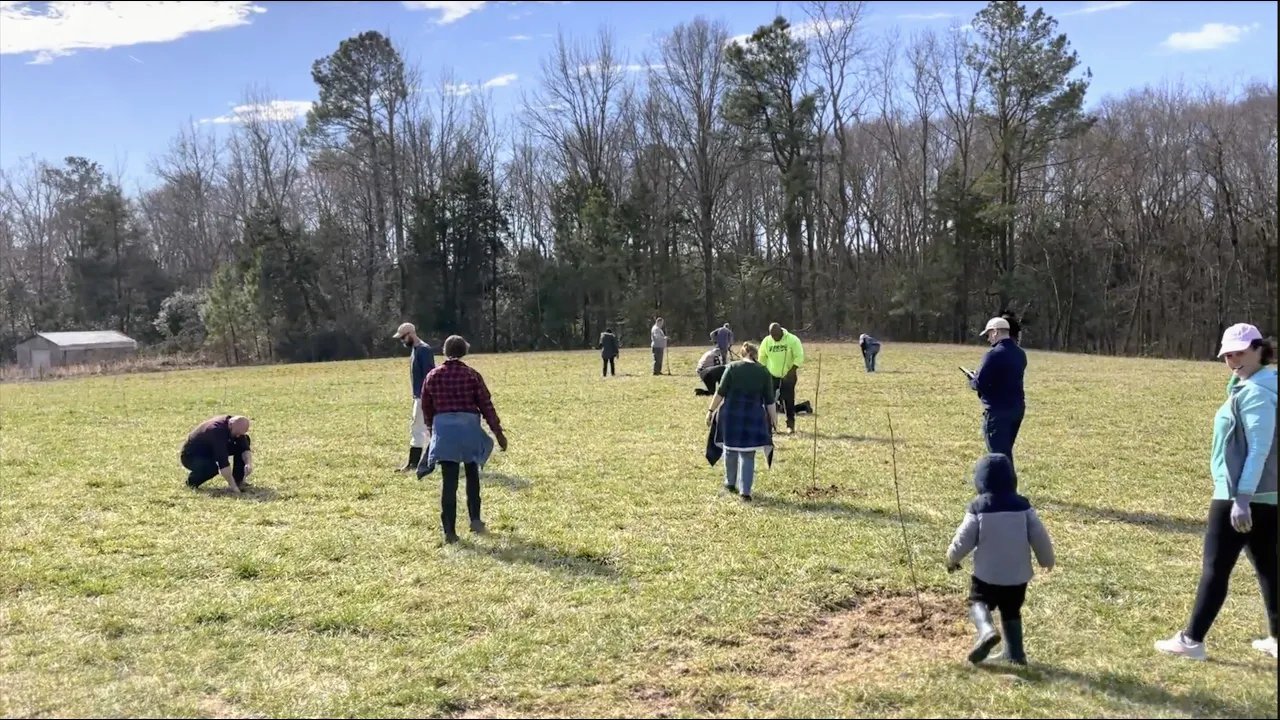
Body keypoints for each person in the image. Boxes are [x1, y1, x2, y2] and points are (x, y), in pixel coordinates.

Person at [1155, 324, 1278, 661]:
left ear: (1259, 349)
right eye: (1228, 354)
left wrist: (1241, 498)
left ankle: (1191, 640)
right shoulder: (1256, 385)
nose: (1233, 359)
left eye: (1240, 351)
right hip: (1267, 497)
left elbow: (1258, 450)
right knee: (1269, 566)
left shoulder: (1256, 393)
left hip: (1240, 495)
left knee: (1216, 568)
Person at [947, 453, 1055, 666]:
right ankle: (1015, 654)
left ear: (979, 481)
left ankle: (986, 630)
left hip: (987, 574)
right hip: (1018, 576)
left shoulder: (978, 507)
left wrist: (952, 558)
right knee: (1011, 610)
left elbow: (964, 539)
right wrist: (1046, 559)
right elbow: (1039, 535)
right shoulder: (1023, 507)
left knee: (977, 602)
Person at [417, 335, 509, 545]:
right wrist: (498, 433)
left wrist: (433, 429)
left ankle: (449, 530)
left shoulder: (433, 376)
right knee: (472, 474)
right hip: (468, 429)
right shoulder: (472, 375)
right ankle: (475, 520)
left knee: (449, 482)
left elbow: (426, 406)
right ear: (465, 351)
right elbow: (486, 405)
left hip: (444, 431)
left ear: (444, 351)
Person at [706, 342, 778, 501]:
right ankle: (745, 492)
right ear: (755, 355)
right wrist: (774, 419)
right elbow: (770, 400)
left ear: (741, 353)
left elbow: (720, 392)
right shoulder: (763, 371)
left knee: (730, 450)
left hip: (731, 415)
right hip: (754, 416)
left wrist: (710, 411)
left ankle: (730, 483)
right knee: (748, 454)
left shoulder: (732, 368)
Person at [966, 317, 1027, 465]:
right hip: (1016, 409)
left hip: (998, 412)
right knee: (1005, 453)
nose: (988, 339)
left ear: (995, 332)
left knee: (998, 457)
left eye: (988, 334)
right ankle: (1008, 484)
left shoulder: (993, 354)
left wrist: (972, 379)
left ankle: (1004, 486)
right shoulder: (1020, 354)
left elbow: (980, 383)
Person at [393, 322, 436, 472]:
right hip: (419, 396)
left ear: (410, 334)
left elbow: (429, 375)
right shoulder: (416, 349)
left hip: (423, 397)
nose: (402, 341)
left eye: (403, 338)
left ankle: (414, 463)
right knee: (423, 429)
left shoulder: (423, 350)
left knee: (418, 429)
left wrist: (427, 398)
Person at [181, 415, 253, 494]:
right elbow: (223, 463)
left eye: (241, 434)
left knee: (243, 441)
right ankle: (192, 482)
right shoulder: (216, 431)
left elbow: (244, 447)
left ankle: (238, 480)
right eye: (237, 433)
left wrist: (248, 463)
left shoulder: (235, 425)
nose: (238, 436)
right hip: (192, 456)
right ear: (230, 425)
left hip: (210, 450)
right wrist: (234, 489)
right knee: (212, 469)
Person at [761, 323, 804, 433]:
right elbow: (762, 357)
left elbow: (799, 356)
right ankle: (769, 425)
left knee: (788, 400)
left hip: (788, 375)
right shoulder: (767, 341)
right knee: (769, 400)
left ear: (781, 331)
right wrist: (764, 372)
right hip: (771, 375)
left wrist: (791, 371)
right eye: (772, 336)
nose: (774, 338)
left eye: (776, 335)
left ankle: (790, 425)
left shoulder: (792, 340)